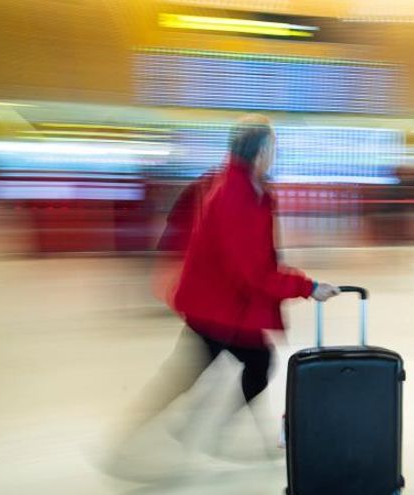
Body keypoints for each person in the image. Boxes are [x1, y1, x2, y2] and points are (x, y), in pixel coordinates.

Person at [105, 115, 339, 478]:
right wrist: (308, 288)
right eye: (273, 147)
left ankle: (196, 432)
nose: (275, 154)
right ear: (259, 151)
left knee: (250, 365)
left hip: (223, 305)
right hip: (217, 308)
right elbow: (251, 272)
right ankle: (131, 446)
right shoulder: (235, 196)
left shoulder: (247, 187)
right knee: (204, 373)